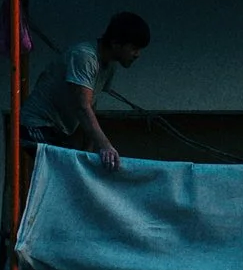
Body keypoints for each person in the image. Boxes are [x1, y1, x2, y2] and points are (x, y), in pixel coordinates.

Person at [25, 14, 151, 171]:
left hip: (58, 130)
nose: (137, 54)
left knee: (75, 171)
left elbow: (91, 102)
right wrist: (105, 146)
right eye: (134, 48)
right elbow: (82, 106)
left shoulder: (109, 65)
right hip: (36, 124)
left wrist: (89, 148)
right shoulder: (85, 57)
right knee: (65, 172)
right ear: (116, 44)